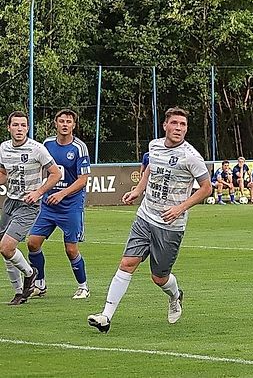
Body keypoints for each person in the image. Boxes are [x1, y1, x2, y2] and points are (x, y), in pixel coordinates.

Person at [87, 107, 212, 332]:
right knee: (127, 263)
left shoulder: (191, 156)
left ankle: (175, 295)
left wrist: (180, 208)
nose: (178, 128)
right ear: (165, 125)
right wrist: (137, 191)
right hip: (145, 216)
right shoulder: (154, 146)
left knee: (159, 277)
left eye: (183, 125)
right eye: (174, 123)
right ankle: (106, 316)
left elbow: (206, 188)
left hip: (170, 224)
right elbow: (150, 170)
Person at [27, 109, 92, 299]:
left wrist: (62, 194)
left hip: (71, 204)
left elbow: (83, 179)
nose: (65, 124)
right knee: (32, 243)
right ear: (55, 123)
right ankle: (40, 284)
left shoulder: (79, 148)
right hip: (49, 204)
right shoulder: (46, 144)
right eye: (61, 121)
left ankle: (83, 287)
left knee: (71, 249)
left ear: (73, 125)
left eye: (69, 121)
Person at [0, 111, 61, 305]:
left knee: (6, 247)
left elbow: (56, 174)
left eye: (23, 125)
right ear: (8, 127)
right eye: (15, 125)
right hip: (10, 201)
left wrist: (38, 192)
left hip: (29, 204)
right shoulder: (3, 147)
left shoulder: (37, 149)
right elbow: (3, 173)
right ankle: (20, 292)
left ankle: (30, 273)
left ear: (27, 128)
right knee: (4, 250)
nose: (19, 129)